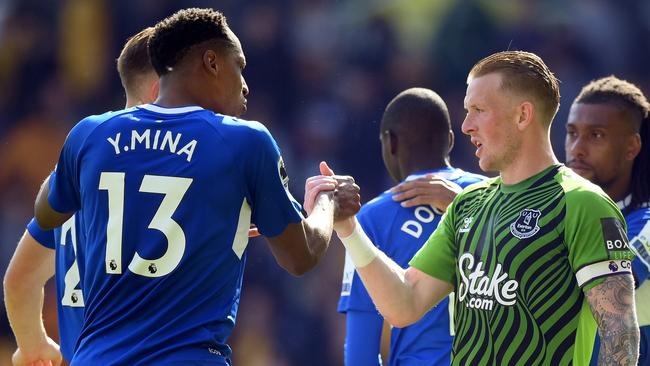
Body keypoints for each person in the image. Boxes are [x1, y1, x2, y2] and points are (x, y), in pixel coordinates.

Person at [34, 8, 361, 365]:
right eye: (240, 66)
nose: (246, 84)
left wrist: (74, 165)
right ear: (212, 62)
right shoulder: (245, 142)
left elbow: (47, 214)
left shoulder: (89, 134)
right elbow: (301, 257)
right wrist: (326, 202)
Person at [307, 51, 639, 365]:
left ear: (523, 115)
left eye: (479, 110)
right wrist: (348, 228)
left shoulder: (584, 204)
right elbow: (404, 304)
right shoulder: (467, 205)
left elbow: (619, 335)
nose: (466, 126)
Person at [4, 26, 158, 366]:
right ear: (159, 87)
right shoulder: (160, 171)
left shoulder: (81, 155)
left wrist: (32, 346)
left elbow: (18, 280)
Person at [336, 87, 485, 365]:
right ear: (450, 141)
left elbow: (361, 353)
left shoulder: (370, 219)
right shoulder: (495, 196)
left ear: (390, 143)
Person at [564, 75, 650, 365]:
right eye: (572, 133)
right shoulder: (558, 213)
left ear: (631, 147)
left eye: (596, 135)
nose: (577, 148)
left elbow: (590, 290)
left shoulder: (646, 224)